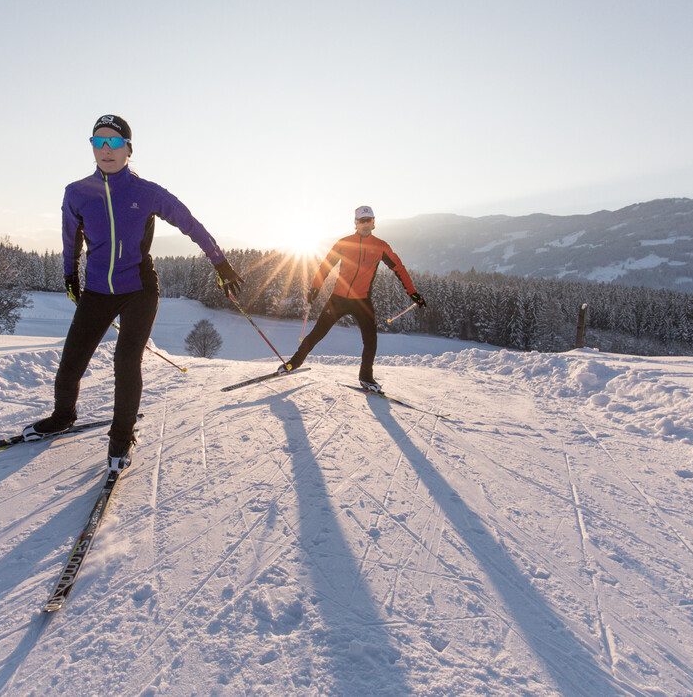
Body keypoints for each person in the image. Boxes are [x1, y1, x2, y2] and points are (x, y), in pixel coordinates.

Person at [24, 114, 242, 471]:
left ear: (129, 149)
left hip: (139, 288)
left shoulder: (147, 192)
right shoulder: (76, 192)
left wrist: (220, 263)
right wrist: (69, 277)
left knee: (126, 363)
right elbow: (70, 240)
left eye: (114, 142)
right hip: (97, 289)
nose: (105, 149)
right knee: (70, 365)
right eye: (98, 142)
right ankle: (63, 416)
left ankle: (121, 439)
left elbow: (190, 224)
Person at [280, 205, 425, 392]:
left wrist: (413, 293)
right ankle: (293, 364)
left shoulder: (381, 246)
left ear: (374, 223)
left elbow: (399, 268)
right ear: (355, 224)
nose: (365, 224)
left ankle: (366, 378)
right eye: (361, 221)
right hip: (338, 299)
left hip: (362, 301)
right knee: (317, 333)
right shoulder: (344, 243)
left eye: (369, 220)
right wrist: (315, 287)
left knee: (371, 340)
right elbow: (325, 266)